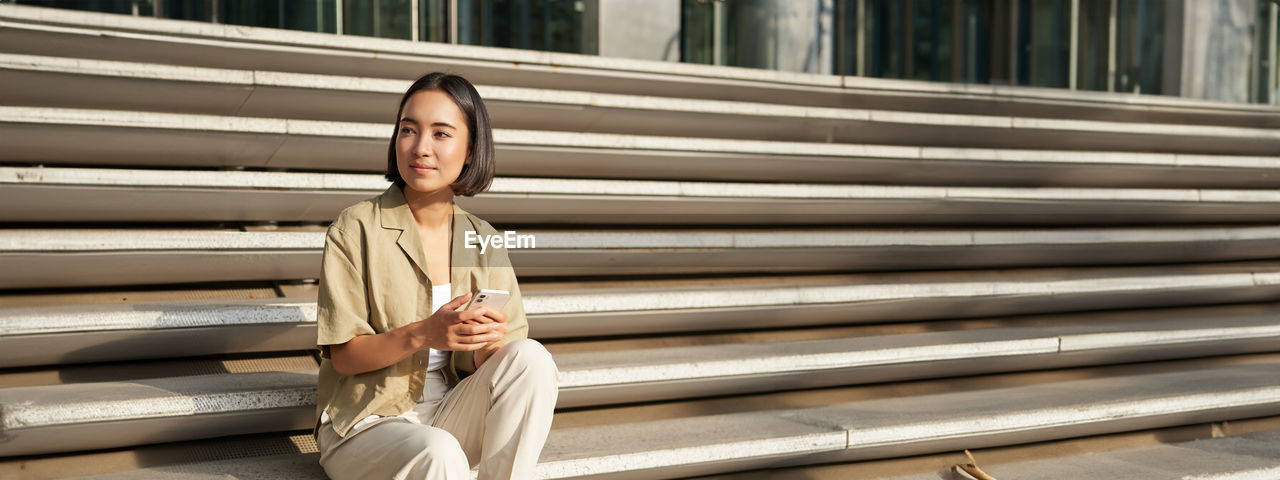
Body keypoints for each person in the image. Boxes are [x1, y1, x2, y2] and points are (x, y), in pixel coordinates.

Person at [312, 72, 558, 480]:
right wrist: (426, 333)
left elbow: (500, 362)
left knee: (531, 358)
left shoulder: (483, 240)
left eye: (441, 134)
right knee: (438, 452)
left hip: (447, 415)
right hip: (366, 425)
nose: (420, 147)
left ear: (470, 149)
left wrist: (483, 343)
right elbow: (345, 358)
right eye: (408, 130)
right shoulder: (355, 227)